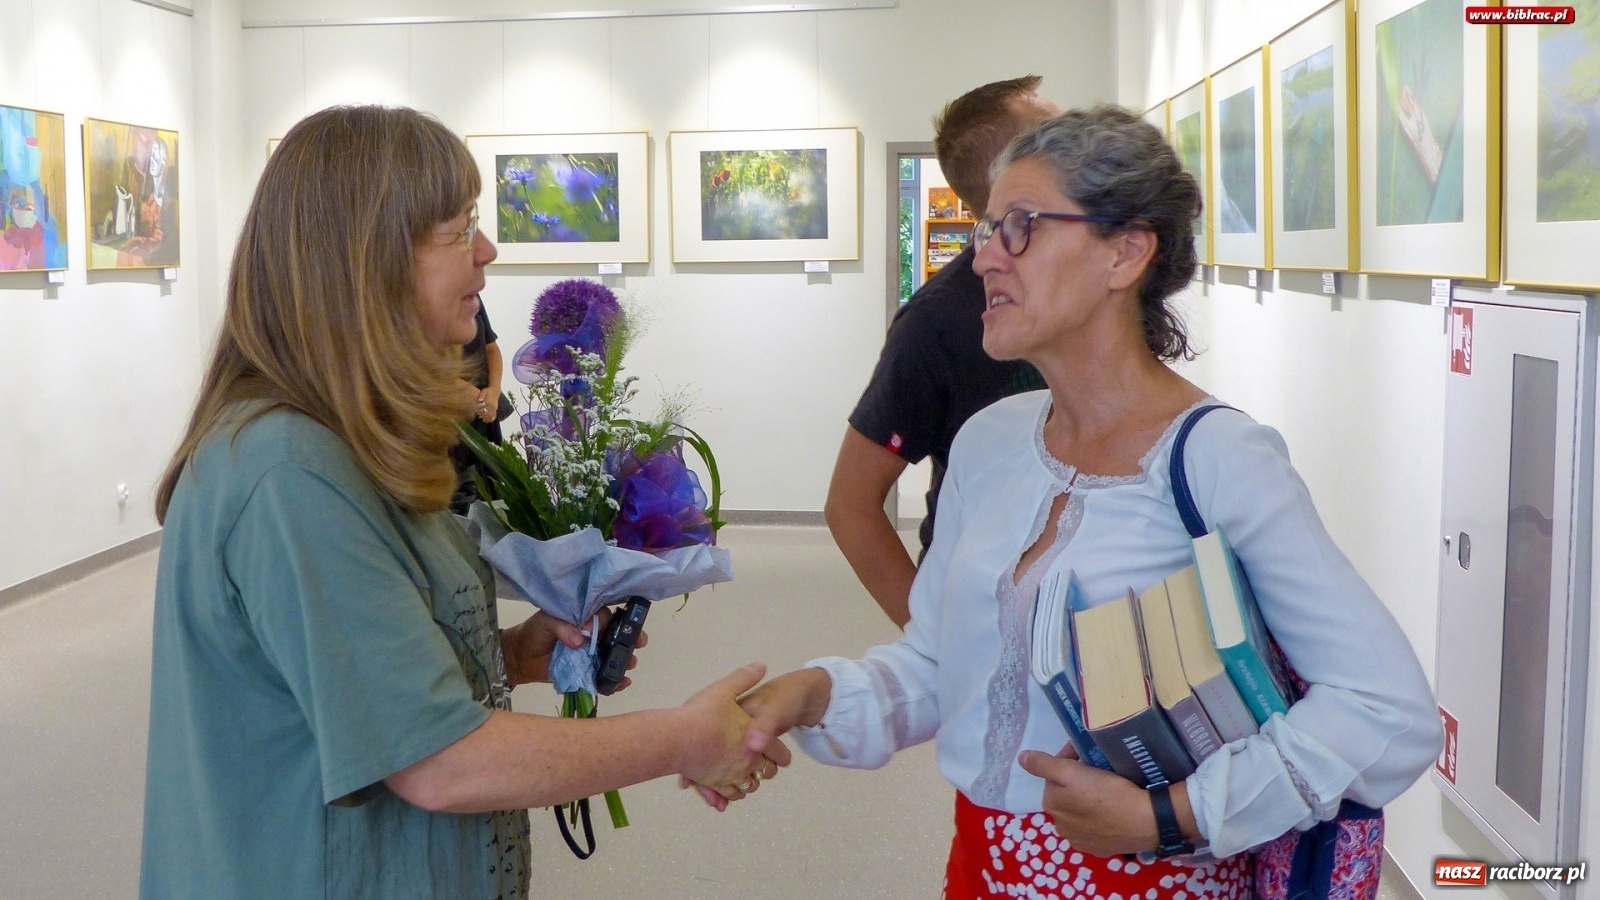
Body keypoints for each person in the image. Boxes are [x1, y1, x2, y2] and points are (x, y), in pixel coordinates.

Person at [728, 107, 1442, 898]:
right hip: (983, 863)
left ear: (1126, 251)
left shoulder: (1215, 458)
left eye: (1021, 227)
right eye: (986, 229)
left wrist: (1174, 813)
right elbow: (939, 663)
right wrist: (813, 693)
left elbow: (1387, 710)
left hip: (1152, 880)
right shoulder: (991, 444)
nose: (985, 259)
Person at [140, 105, 786, 899]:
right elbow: (439, 762)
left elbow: (355, 674)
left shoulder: (345, 443)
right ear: (365, 261)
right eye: (457, 230)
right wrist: (685, 738)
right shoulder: (289, 472)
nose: (487, 250)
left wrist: (510, 655)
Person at [827, 75, 1056, 628]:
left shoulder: (1097, 291)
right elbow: (852, 503)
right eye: (1061, 137)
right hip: (981, 606)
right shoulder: (938, 322)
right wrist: (935, 640)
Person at [449, 302, 506, 515]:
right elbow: (414, 363)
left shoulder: (471, 295)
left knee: (490, 501)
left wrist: (494, 390)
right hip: (445, 422)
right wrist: (474, 397)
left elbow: (491, 348)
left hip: (482, 418)